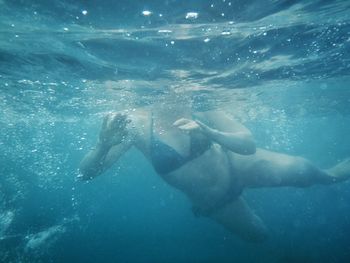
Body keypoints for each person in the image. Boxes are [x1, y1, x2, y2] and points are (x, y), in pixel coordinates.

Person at [79, 107, 350, 242]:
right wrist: (103, 144)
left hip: (239, 165)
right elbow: (87, 174)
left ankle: (338, 172)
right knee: (260, 237)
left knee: (313, 173)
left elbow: (248, 144)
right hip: (215, 202)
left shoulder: (205, 100)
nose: (175, 91)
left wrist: (210, 132)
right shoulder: (133, 123)